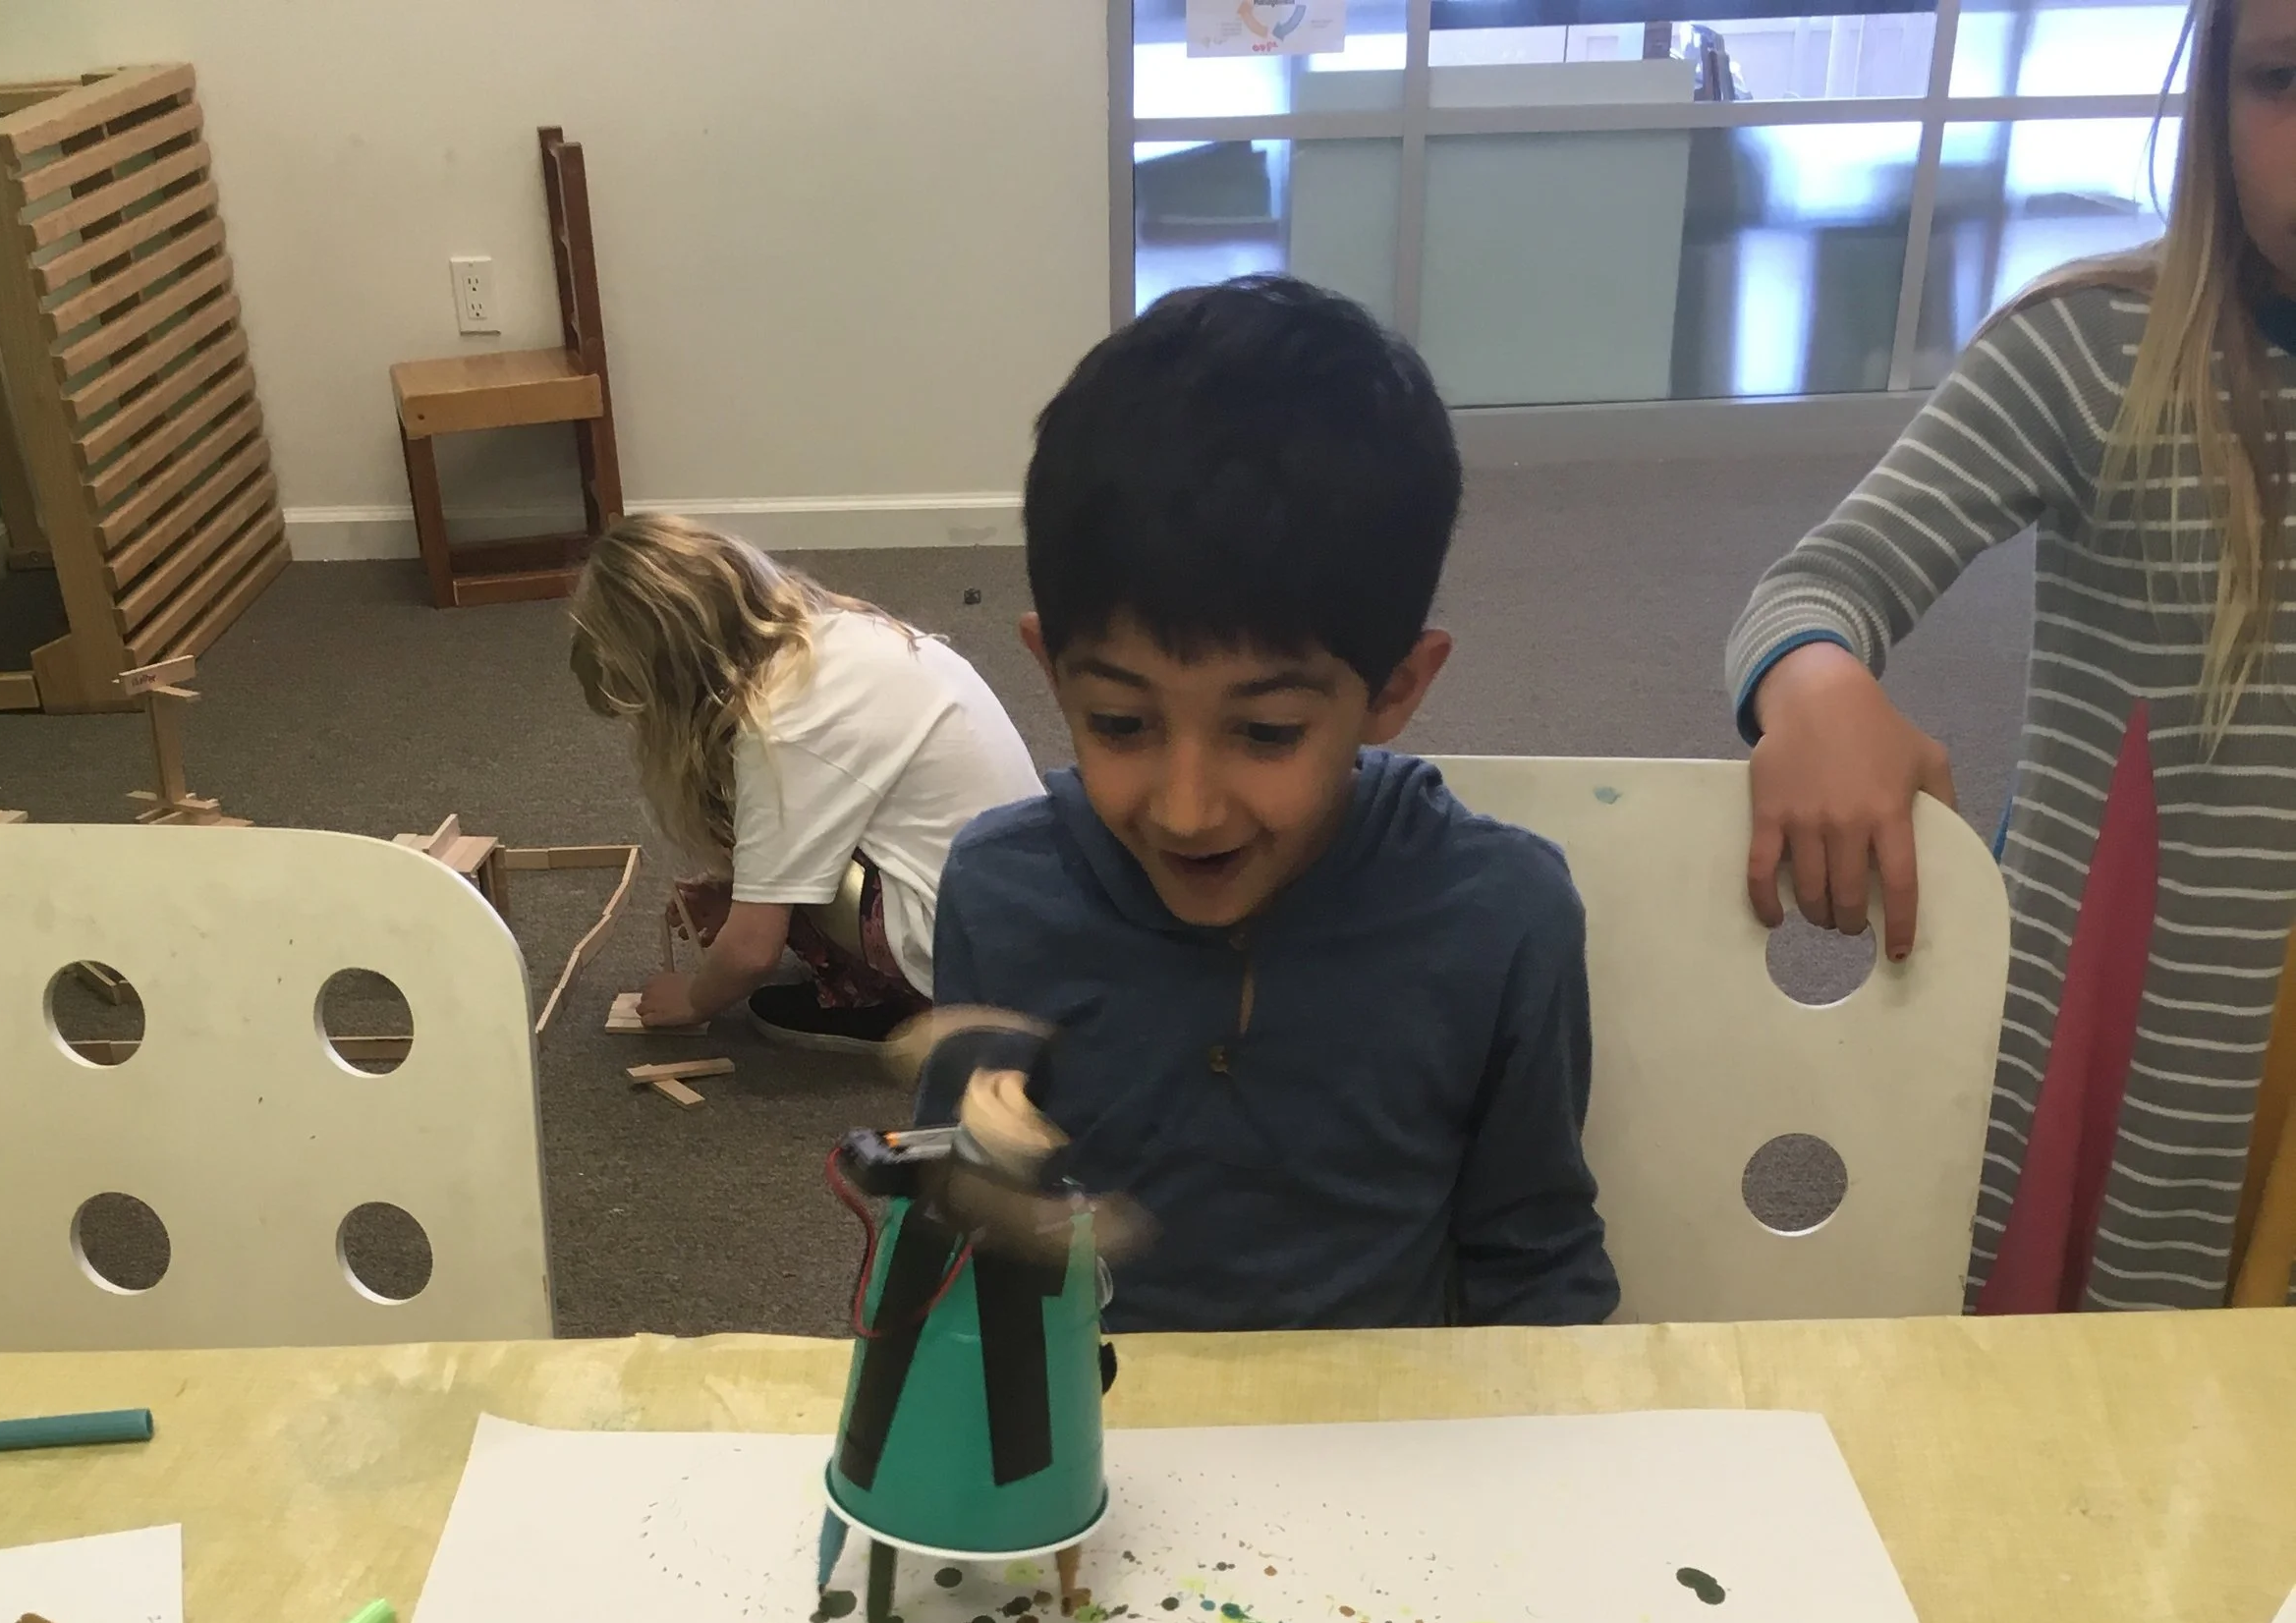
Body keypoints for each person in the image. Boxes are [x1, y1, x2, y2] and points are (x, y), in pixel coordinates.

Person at [1727, 0, 2296, 1312]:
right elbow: (1816, 585)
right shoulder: (2096, 350)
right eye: (2282, 80)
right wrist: (1816, 686)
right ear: (2213, 94)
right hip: (2115, 1042)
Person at [924, 278, 1618, 1331]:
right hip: (1092, 1460)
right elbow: (967, 1244)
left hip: (1397, 1454)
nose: (1189, 810)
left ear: (1395, 690)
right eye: (1120, 722)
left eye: (1265, 733)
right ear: (1051, 674)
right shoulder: (999, 891)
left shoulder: (1502, 915)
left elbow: (1535, 1264)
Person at [569, 514, 1039, 1049]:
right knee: (770, 848)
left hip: (972, 959)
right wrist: (744, 887)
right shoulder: (835, 636)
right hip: (1018, 909)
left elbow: (751, 952)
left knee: (762, 851)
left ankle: (895, 1000)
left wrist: (696, 996)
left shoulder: (779, 725)